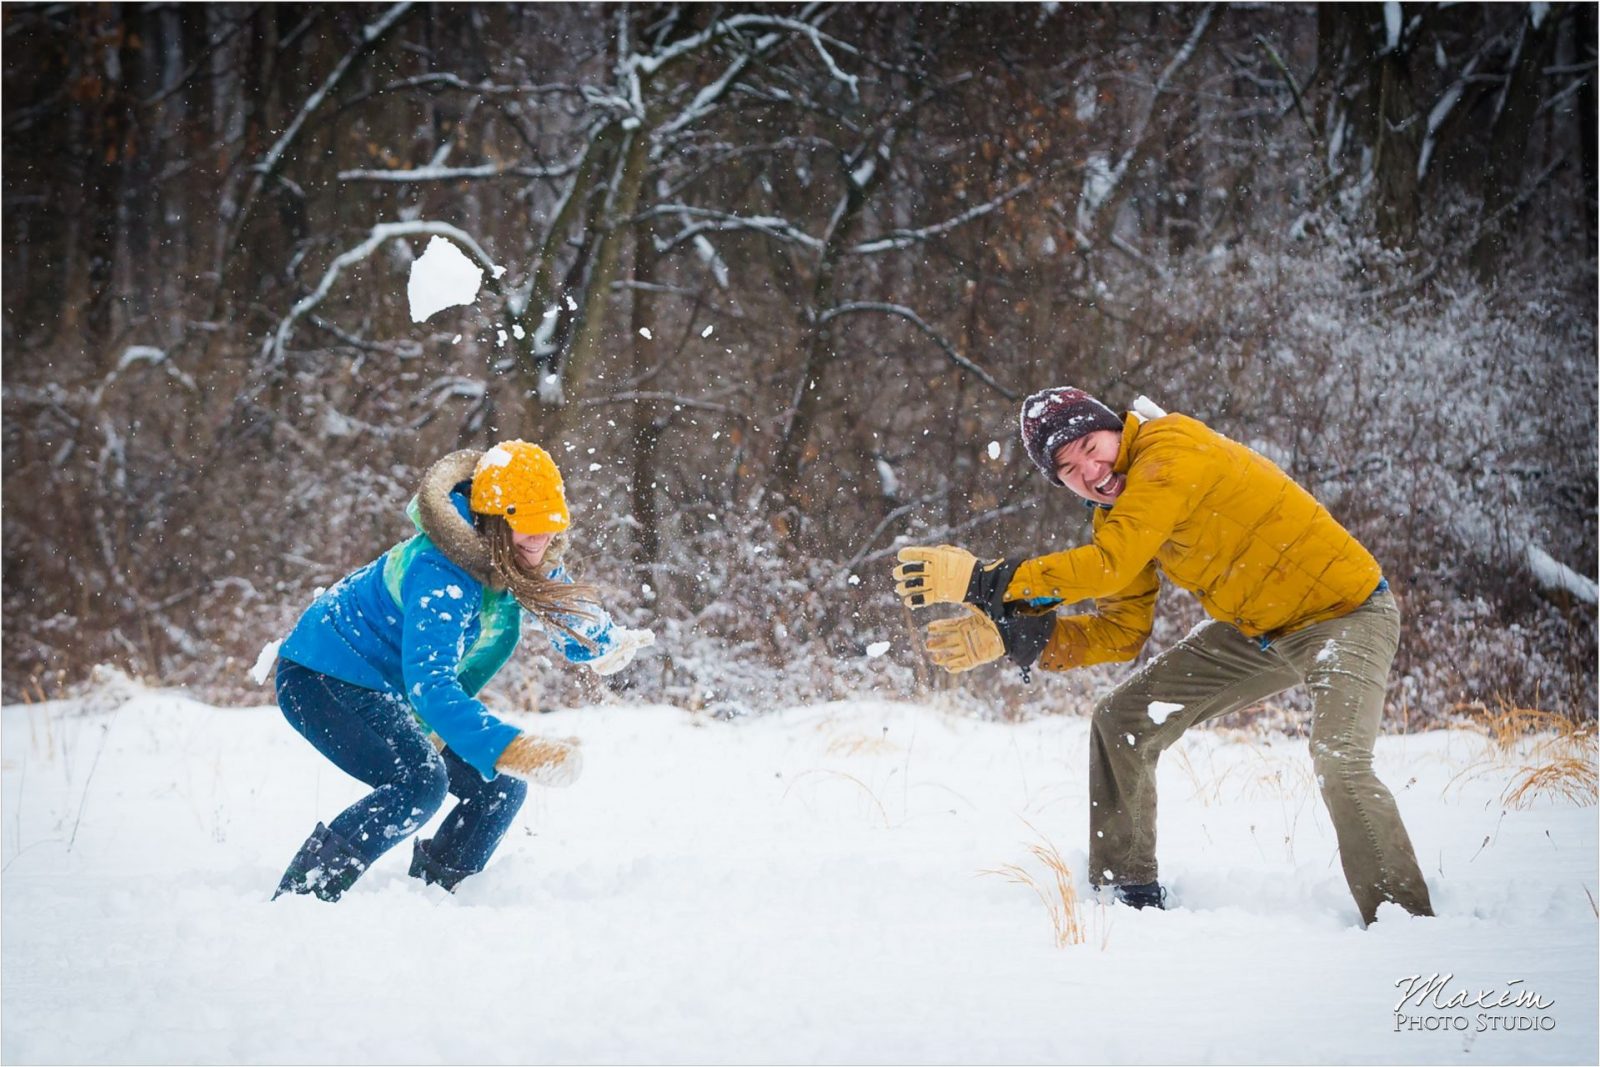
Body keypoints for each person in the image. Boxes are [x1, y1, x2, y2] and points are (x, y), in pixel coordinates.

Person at [892, 387, 1433, 925]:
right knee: (1121, 719)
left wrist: (987, 582)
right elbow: (1120, 632)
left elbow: (1109, 564)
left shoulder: (1169, 449)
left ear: (1115, 429)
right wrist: (1020, 638)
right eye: (1066, 464)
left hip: (1346, 614)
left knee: (1339, 761)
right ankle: (1127, 895)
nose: (1088, 467)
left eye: (1090, 443)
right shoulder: (1116, 517)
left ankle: (1403, 921)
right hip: (1261, 632)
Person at [272, 440, 654, 901]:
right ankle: (303, 898)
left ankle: (433, 899)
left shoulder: (517, 555)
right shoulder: (442, 572)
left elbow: (563, 601)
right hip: (322, 678)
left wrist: (606, 644)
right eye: (526, 526)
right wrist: (514, 748)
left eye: (548, 527)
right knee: (419, 782)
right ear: (495, 521)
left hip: (387, 689)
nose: (539, 539)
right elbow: (431, 687)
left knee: (498, 790)